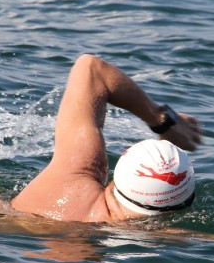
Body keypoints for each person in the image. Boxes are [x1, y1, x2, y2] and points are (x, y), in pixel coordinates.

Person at [10, 54, 203, 223]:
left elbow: (91, 68)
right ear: (179, 208)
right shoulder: (85, 245)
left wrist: (163, 121)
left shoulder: (71, 175)